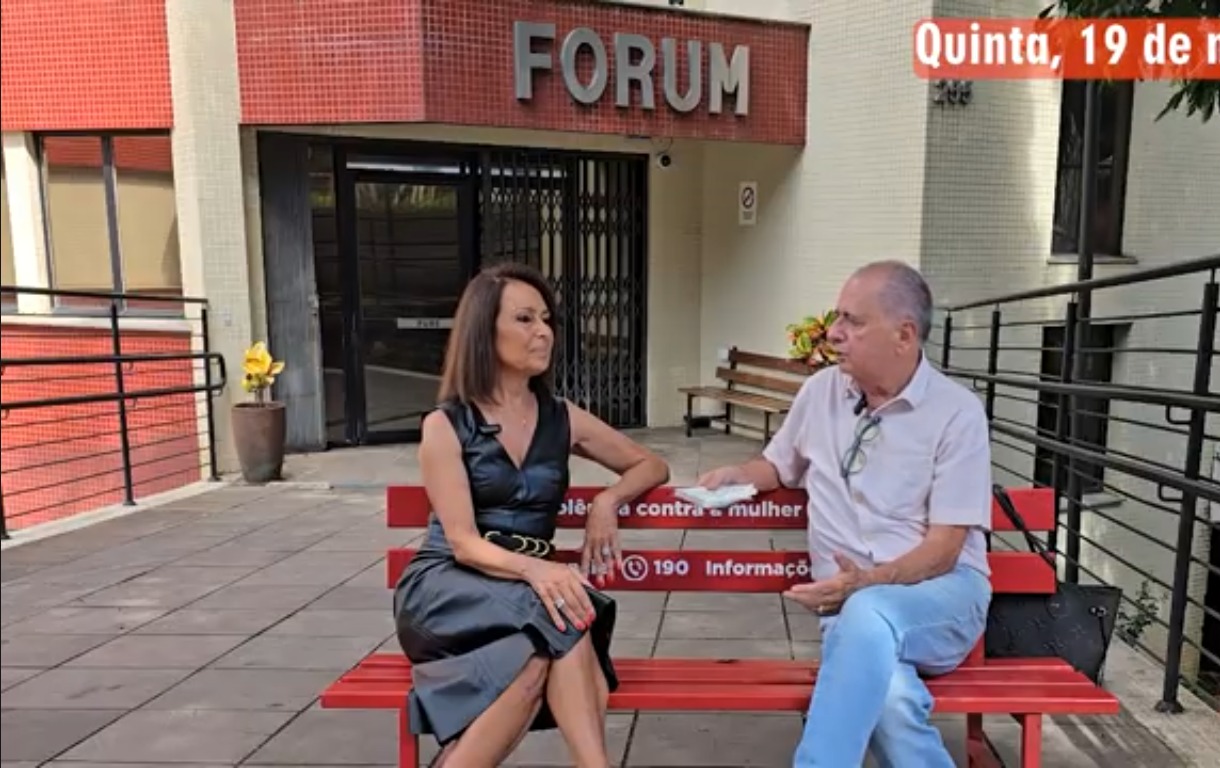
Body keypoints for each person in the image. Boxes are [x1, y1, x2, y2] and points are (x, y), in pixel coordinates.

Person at [698, 260, 993, 768]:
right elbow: (779, 464)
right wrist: (739, 475)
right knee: (891, 700)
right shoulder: (821, 393)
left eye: (852, 321)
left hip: (941, 598)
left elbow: (945, 550)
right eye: (837, 317)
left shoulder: (956, 413)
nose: (833, 333)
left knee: (867, 611)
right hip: (849, 610)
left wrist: (868, 584)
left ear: (904, 335)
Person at [393, 262, 670, 768]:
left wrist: (607, 501)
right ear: (484, 330)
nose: (543, 332)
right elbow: (462, 543)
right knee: (565, 610)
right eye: (524, 319)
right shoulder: (447, 424)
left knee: (536, 662)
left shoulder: (561, 417)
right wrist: (539, 570)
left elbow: (650, 464)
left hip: (527, 597)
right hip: (449, 588)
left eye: (546, 319)